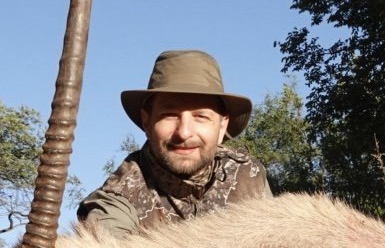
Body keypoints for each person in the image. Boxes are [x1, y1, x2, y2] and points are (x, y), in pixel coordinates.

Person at [77, 49, 271, 236]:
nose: (184, 132)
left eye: (201, 116)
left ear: (222, 127)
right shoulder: (117, 201)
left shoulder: (248, 175)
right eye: (169, 115)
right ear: (147, 122)